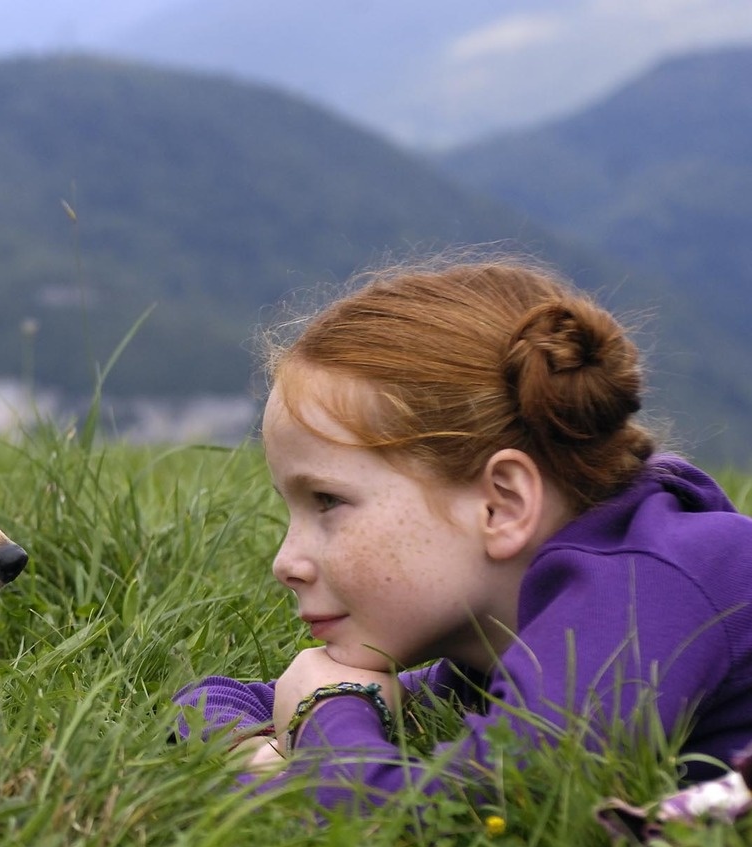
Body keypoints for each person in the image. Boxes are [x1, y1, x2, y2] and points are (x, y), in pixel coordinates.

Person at [174, 258, 752, 814]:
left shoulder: (639, 596)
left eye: (328, 501)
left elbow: (467, 814)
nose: (286, 562)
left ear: (502, 504)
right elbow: (210, 701)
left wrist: (326, 716)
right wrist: (264, 754)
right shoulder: (498, 635)